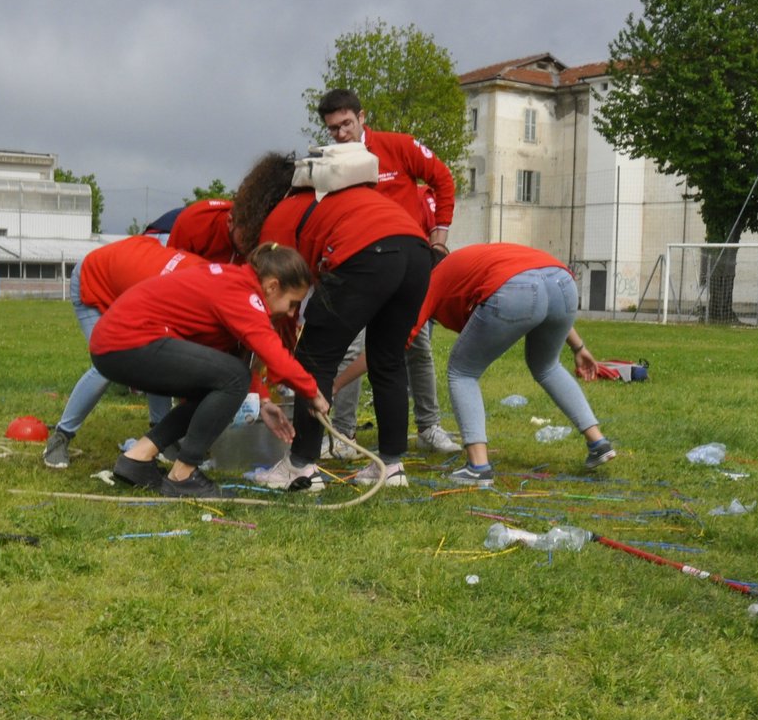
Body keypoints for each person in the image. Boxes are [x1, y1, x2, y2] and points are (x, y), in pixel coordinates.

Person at [234, 147, 433, 490]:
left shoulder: (281, 216)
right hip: (417, 251)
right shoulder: (351, 198)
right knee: (388, 360)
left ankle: (300, 467)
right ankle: (391, 465)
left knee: (315, 358)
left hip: (369, 253)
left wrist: (277, 361)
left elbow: (273, 300)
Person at [337, 242, 616, 487]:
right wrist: (579, 347)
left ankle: (478, 468)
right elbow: (540, 285)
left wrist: (334, 384)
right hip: (562, 282)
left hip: (517, 288)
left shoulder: (431, 281)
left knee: (462, 371)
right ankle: (597, 441)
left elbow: (388, 351)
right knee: (546, 366)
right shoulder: (468, 261)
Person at [87, 243, 328, 499]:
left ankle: (137, 458)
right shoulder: (241, 294)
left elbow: (234, 357)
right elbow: (272, 353)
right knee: (233, 378)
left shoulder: (236, 282)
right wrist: (313, 392)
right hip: (127, 342)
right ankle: (183, 475)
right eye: (292, 303)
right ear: (272, 286)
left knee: (223, 380)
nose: (291, 313)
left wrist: (263, 400)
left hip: (117, 343)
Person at [316, 88, 461, 456]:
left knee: (415, 346)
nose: (341, 133)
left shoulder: (397, 146)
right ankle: (342, 435)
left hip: (405, 263)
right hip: (357, 265)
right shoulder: (329, 162)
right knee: (352, 346)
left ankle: (428, 427)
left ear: (362, 118)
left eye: (346, 124)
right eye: (333, 129)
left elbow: (443, 179)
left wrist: (438, 238)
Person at [43, 235, 207, 469]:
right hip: (93, 284)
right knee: (106, 366)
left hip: (126, 285)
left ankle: (162, 438)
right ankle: (60, 437)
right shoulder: (172, 291)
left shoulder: (202, 275)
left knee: (159, 358)